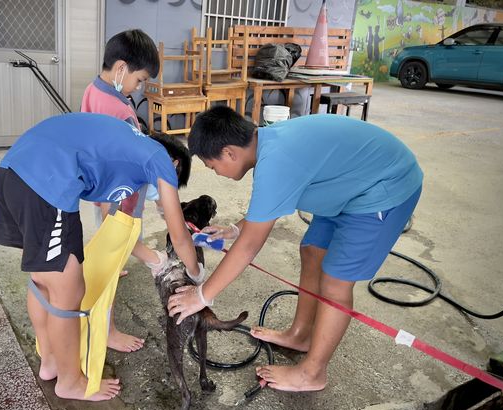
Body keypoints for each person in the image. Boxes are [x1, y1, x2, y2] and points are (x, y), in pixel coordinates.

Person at [167, 106, 423, 392]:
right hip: (351, 185)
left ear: (229, 152)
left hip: (384, 189)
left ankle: (313, 373)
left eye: (212, 166)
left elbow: (250, 246)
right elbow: (262, 215)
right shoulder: (268, 144)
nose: (216, 173)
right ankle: (300, 334)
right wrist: (236, 229)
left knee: (336, 281)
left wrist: (201, 295)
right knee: (312, 250)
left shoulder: (275, 161)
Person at [0, 112, 204, 401]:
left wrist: (147, 255)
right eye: (171, 184)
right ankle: (71, 382)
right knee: (68, 291)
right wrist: (196, 275)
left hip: (12, 172)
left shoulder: (124, 147)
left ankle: (51, 361)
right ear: (175, 164)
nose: (160, 194)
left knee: (43, 279)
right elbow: (179, 234)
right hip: (46, 184)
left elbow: (111, 217)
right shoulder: (158, 158)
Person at [81, 28, 164, 352]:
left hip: (98, 189)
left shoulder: (95, 89)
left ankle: (119, 257)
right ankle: (108, 331)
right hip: (118, 199)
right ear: (120, 69)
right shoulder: (120, 112)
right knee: (111, 258)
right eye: (140, 79)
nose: (139, 87)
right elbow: (129, 162)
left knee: (110, 243)